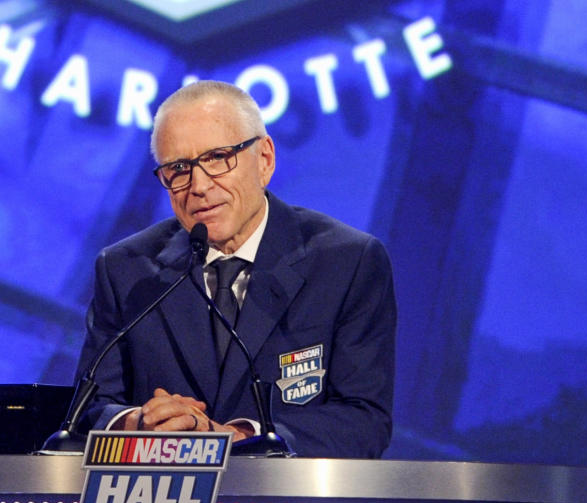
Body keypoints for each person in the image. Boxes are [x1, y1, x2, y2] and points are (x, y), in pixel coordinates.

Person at [74, 80, 397, 459]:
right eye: (178, 168)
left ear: (264, 159)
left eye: (217, 158)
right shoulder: (128, 270)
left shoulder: (347, 262)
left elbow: (364, 421)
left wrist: (236, 436)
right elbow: (90, 410)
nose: (198, 185)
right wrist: (142, 424)